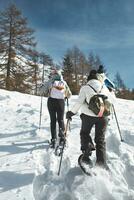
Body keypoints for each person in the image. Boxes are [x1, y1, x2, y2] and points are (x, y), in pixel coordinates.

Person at [66, 66, 115, 169]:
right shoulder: (104, 87)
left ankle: (87, 153)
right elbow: (111, 102)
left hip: (88, 116)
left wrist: (71, 113)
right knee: (100, 139)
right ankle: (101, 164)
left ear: (89, 79)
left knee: (84, 133)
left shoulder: (85, 87)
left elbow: (79, 102)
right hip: (103, 117)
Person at [40, 69, 72, 148]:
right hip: (61, 102)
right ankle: (62, 138)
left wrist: (42, 86)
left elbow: (42, 91)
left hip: (51, 102)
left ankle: (53, 139)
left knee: (53, 120)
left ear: (53, 74)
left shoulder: (50, 81)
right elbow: (69, 95)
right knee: (60, 120)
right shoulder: (63, 82)